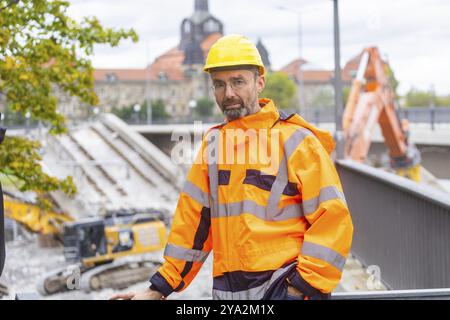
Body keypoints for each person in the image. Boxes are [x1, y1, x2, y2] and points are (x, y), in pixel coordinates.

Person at [111, 34, 353, 300]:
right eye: (219, 84)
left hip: (284, 289)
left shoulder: (297, 141)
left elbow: (333, 220)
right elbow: (193, 224)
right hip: (230, 295)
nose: (229, 94)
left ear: (259, 82)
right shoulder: (213, 146)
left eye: (238, 82)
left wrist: (301, 288)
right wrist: (157, 290)